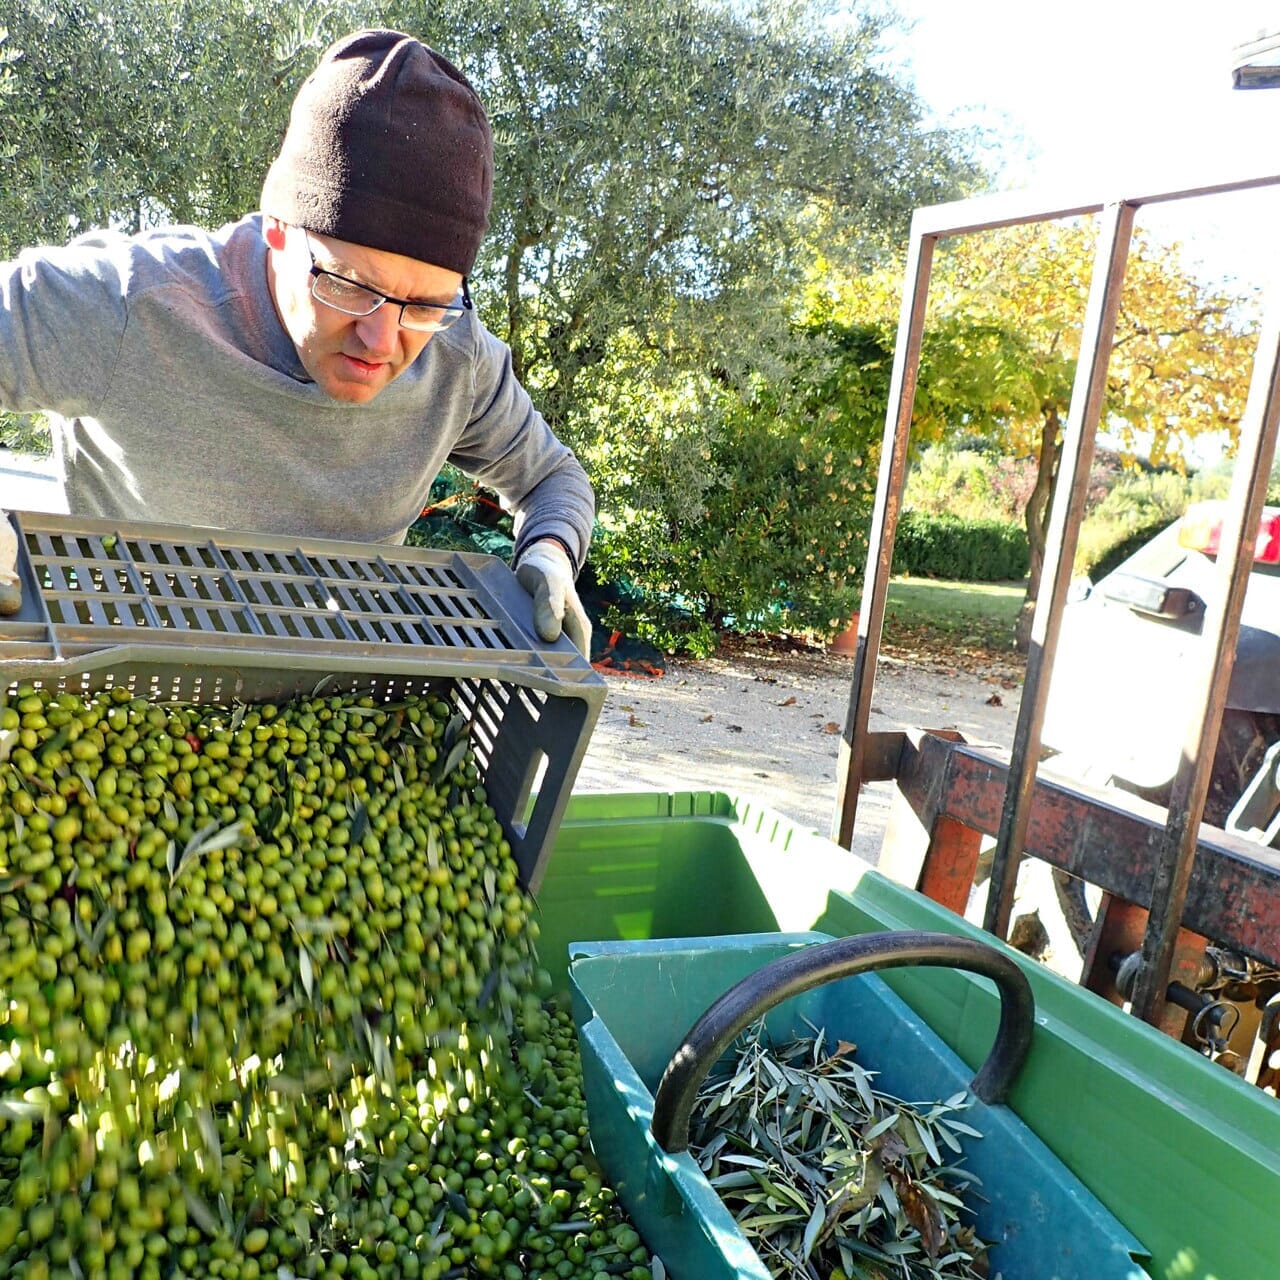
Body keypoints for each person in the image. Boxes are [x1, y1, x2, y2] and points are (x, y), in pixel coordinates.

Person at [0, 29, 592, 652]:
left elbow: (553, 478)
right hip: (117, 706)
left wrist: (551, 554)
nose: (381, 340)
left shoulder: (458, 358)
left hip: (325, 711)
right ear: (278, 229)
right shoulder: (125, 304)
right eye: (350, 284)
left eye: (423, 304)